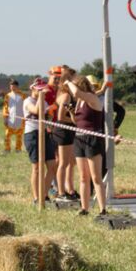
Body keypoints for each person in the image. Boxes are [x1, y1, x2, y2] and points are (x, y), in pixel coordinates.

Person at [67, 75, 107, 219]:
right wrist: (71, 112)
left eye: (74, 86)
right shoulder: (79, 101)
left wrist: (67, 81)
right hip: (79, 138)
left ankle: (103, 210)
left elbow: (76, 92)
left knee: (96, 177)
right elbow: (77, 121)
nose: (72, 91)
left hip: (93, 139)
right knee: (83, 176)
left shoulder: (91, 97)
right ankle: (84, 208)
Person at [23, 79, 58, 205]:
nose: (42, 91)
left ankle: (44, 195)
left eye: (43, 89)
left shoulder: (43, 101)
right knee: (37, 168)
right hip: (32, 134)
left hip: (45, 134)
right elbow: (36, 111)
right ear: (32, 88)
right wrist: (41, 97)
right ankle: (36, 198)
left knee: (52, 166)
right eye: (39, 89)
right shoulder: (27, 101)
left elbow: (48, 114)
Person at [53, 72, 79, 202]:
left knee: (70, 162)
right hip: (63, 130)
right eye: (75, 78)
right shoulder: (66, 96)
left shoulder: (67, 94)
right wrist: (75, 121)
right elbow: (60, 117)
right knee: (63, 163)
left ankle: (69, 189)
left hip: (68, 130)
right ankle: (61, 192)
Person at [3, 80, 25, 153]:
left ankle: (18, 149)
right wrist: (5, 118)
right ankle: (7, 149)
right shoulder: (7, 96)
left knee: (19, 135)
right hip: (10, 119)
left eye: (14, 86)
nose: (12, 88)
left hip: (20, 119)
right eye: (11, 86)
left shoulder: (22, 95)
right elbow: (5, 107)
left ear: (17, 86)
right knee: (7, 135)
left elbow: (26, 106)